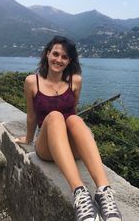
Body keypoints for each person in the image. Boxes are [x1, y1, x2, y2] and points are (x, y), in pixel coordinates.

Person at [15, 35, 122, 221]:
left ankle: (104, 191)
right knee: (56, 116)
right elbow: (32, 116)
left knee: (73, 119)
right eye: (55, 54)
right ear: (47, 54)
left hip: (70, 146)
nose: (59, 59)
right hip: (47, 146)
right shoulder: (32, 81)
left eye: (64, 57)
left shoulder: (75, 80)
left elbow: (73, 109)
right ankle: (80, 193)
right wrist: (28, 138)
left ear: (69, 60)